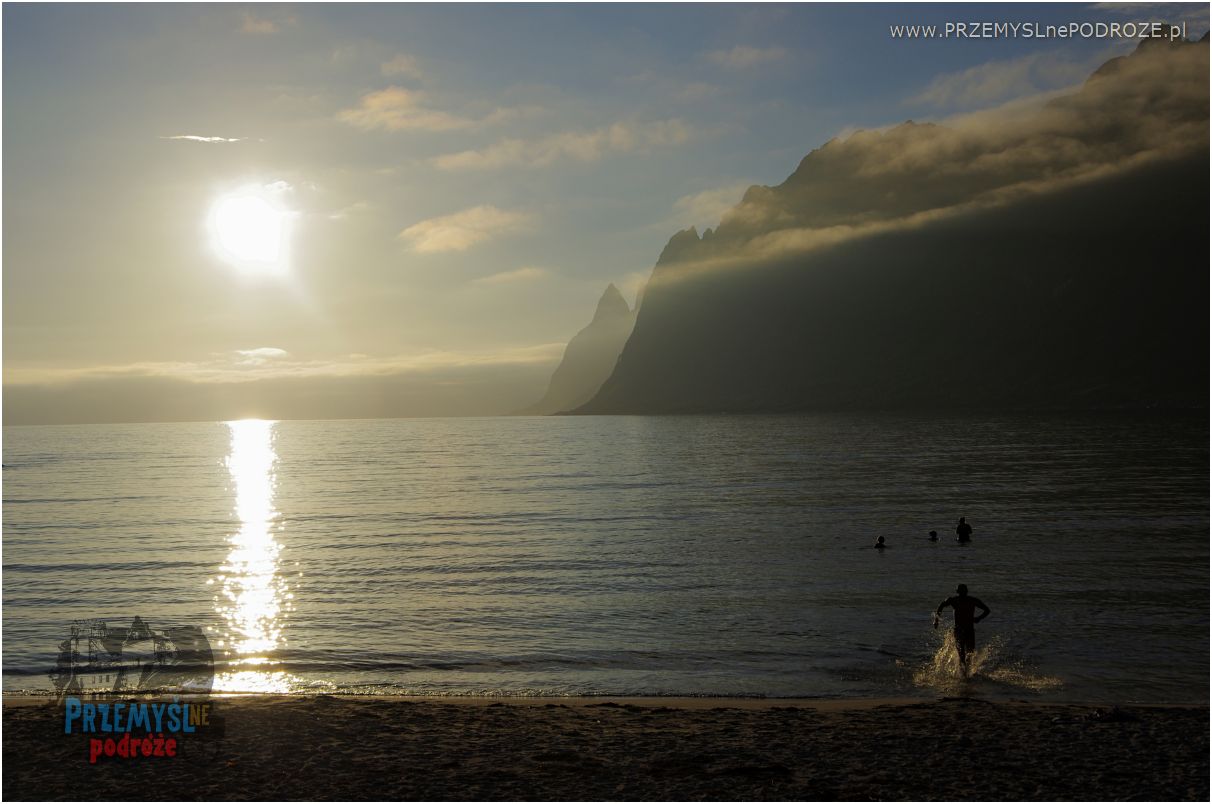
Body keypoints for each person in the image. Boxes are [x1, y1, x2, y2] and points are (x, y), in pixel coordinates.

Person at [934, 584, 990, 673]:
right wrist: (936, 620)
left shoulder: (967, 600)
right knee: (963, 655)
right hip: (961, 630)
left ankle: (966, 674)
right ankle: (964, 675)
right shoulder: (957, 600)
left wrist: (978, 618)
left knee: (969, 654)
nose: (963, 593)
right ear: (959, 592)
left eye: (963, 591)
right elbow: (941, 605)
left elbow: (987, 610)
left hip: (967, 630)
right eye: (961, 591)